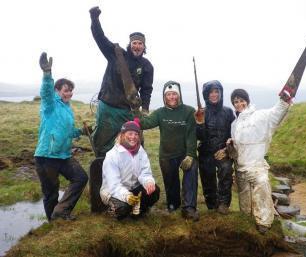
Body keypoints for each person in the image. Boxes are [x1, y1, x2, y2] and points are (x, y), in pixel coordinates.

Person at [89, 6, 154, 157]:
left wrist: (145, 109)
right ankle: (102, 165)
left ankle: (133, 171)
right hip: (107, 107)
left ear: (144, 47)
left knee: (132, 141)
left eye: (140, 43)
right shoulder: (116, 54)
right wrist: (94, 19)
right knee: (102, 142)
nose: (137, 46)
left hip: (127, 110)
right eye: (134, 43)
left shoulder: (147, 66)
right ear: (130, 44)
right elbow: (100, 38)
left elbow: (146, 89)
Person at [34, 52, 89, 221]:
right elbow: (46, 92)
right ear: (57, 91)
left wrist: (81, 131)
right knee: (51, 193)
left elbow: (68, 131)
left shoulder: (67, 108)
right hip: (46, 156)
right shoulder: (50, 104)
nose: (69, 93)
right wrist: (47, 74)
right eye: (66, 90)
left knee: (80, 178)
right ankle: (54, 222)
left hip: (64, 155)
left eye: (71, 91)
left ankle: (61, 211)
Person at [228, 88, 290, 233]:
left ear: (247, 100)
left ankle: (264, 222)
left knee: (262, 187)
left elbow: (276, 114)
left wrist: (284, 100)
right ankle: (248, 219)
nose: (239, 104)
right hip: (240, 166)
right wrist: (230, 146)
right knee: (245, 202)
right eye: (235, 102)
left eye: (241, 100)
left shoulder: (260, 116)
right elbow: (236, 147)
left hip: (256, 165)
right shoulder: (234, 125)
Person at [139, 81, 199, 221]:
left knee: (191, 174)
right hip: (167, 154)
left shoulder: (189, 111)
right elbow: (145, 123)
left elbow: (191, 134)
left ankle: (189, 207)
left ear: (179, 95)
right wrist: (136, 113)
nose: (172, 97)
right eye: (168, 94)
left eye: (174, 94)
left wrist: (190, 155)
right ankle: (173, 204)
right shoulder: (160, 113)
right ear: (164, 97)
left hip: (185, 153)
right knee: (170, 181)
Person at [100, 119, 160, 220]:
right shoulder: (112, 155)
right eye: (130, 133)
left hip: (134, 188)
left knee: (154, 191)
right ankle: (112, 210)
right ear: (122, 134)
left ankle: (138, 210)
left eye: (136, 134)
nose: (133, 137)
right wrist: (127, 196)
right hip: (112, 191)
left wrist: (148, 182)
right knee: (123, 208)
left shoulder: (140, 151)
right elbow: (113, 185)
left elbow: (145, 172)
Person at [194, 80, 234, 215]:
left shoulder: (228, 112)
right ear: (206, 95)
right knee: (207, 177)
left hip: (223, 151)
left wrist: (226, 150)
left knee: (226, 169)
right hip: (206, 151)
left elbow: (234, 134)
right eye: (211, 92)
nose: (214, 95)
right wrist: (199, 122)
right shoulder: (201, 112)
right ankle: (211, 205)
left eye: (217, 91)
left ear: (221, 93)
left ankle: (223, 203)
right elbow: (198, 136)